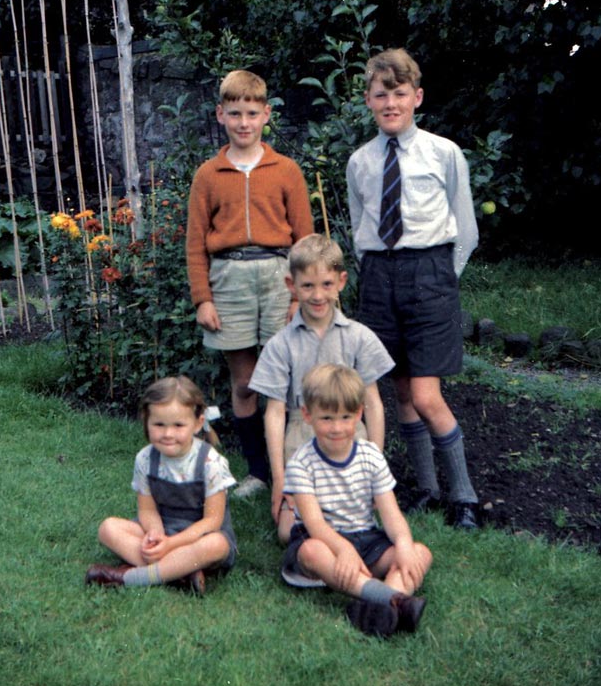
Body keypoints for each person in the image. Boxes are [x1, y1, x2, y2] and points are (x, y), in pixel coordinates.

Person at [346, 47, 480, 530]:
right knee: (400, 391)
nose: (390, 103)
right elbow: (360, 226)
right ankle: (427, 489)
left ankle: (464, 496)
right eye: (381, 94)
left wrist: (440, 279)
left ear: (416, 97)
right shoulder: (360, 162)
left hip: (431, 276)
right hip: (380, 280)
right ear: (368, 100)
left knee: (427, 395)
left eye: (400, 93)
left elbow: (465, 229)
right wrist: (380, 276)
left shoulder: (443, 153)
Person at [186, 69, 314, 498]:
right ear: (221, 114)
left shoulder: (286, 171)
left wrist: (299, 295)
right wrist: (203, 298)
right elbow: (194, 245)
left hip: (278, 276)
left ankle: (294, 472)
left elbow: (306, 240)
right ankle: (259, 472)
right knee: (245, 383)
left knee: (287, 379)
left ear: (266, 116)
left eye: (252, 113)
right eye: (235, 113)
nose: (244, 122)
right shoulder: (208, 174)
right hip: (229, 279)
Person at [249, 233, 394, 545]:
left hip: (350, 443)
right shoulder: (280, 345)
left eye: (326, 284)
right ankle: (320, 532)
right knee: (288, 533)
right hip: (300, 444)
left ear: (341, 282)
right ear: (292, 286)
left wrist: (375, 466)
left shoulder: (359, 337)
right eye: (307, 286)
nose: (317, 295)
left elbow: (373, 404)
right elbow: (274, 413)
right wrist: (279, 478)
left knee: (355, 525)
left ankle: (340, 536)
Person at [282, 364, 433, 638]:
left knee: (419, 553)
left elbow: (391, 515)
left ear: (359, 414)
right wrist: (343, 550)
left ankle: (375, 609)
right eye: (326, 418)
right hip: (325, 543)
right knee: (311, 551)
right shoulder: (301, 463)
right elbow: (314, 524)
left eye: (345, 417)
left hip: (366, 539)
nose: (337, 427)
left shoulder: (371, 455)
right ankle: (394, 599)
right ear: (307, 415)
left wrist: (403, 544)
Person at [85, 376, 237, 595]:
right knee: (108, 528)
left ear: (197, 423)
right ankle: (179, 573)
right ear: (146, 421)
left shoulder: (210, 463)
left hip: (199, 537)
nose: (167, 434)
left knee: (216, 545)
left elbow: (212, 522)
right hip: (163, 529)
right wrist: (155, 534)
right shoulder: (145, 459)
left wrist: (171, 544)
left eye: (178, 425)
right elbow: (146, 509)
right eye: (159, 424)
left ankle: (133, 577)